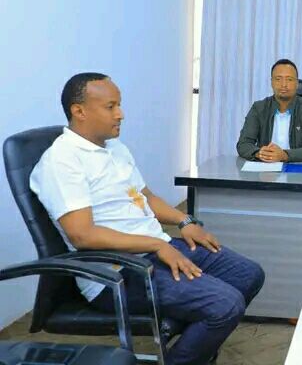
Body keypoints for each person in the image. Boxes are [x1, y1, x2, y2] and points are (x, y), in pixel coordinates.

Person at [30, 72, 265, 365]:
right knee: (225, 305)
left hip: (155, 248)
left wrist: (184, 221)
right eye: (111, 107)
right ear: (79, 111)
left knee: (248, 274)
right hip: (116, 273)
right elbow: (82, 235)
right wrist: (156, 245)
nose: (121, 114)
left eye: (119, 105)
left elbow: (145, 197)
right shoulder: (62, 160)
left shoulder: (114, 148)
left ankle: (196, 347)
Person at [236, 59, 302, 162]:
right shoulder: (259, 108)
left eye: (289, 79)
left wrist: (284, 155)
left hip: (298, 166)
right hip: (265, 167)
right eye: (278, 79)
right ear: (271, 82)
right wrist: (259, 153)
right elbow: (243, 144)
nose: (283, 84)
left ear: (297, 83)